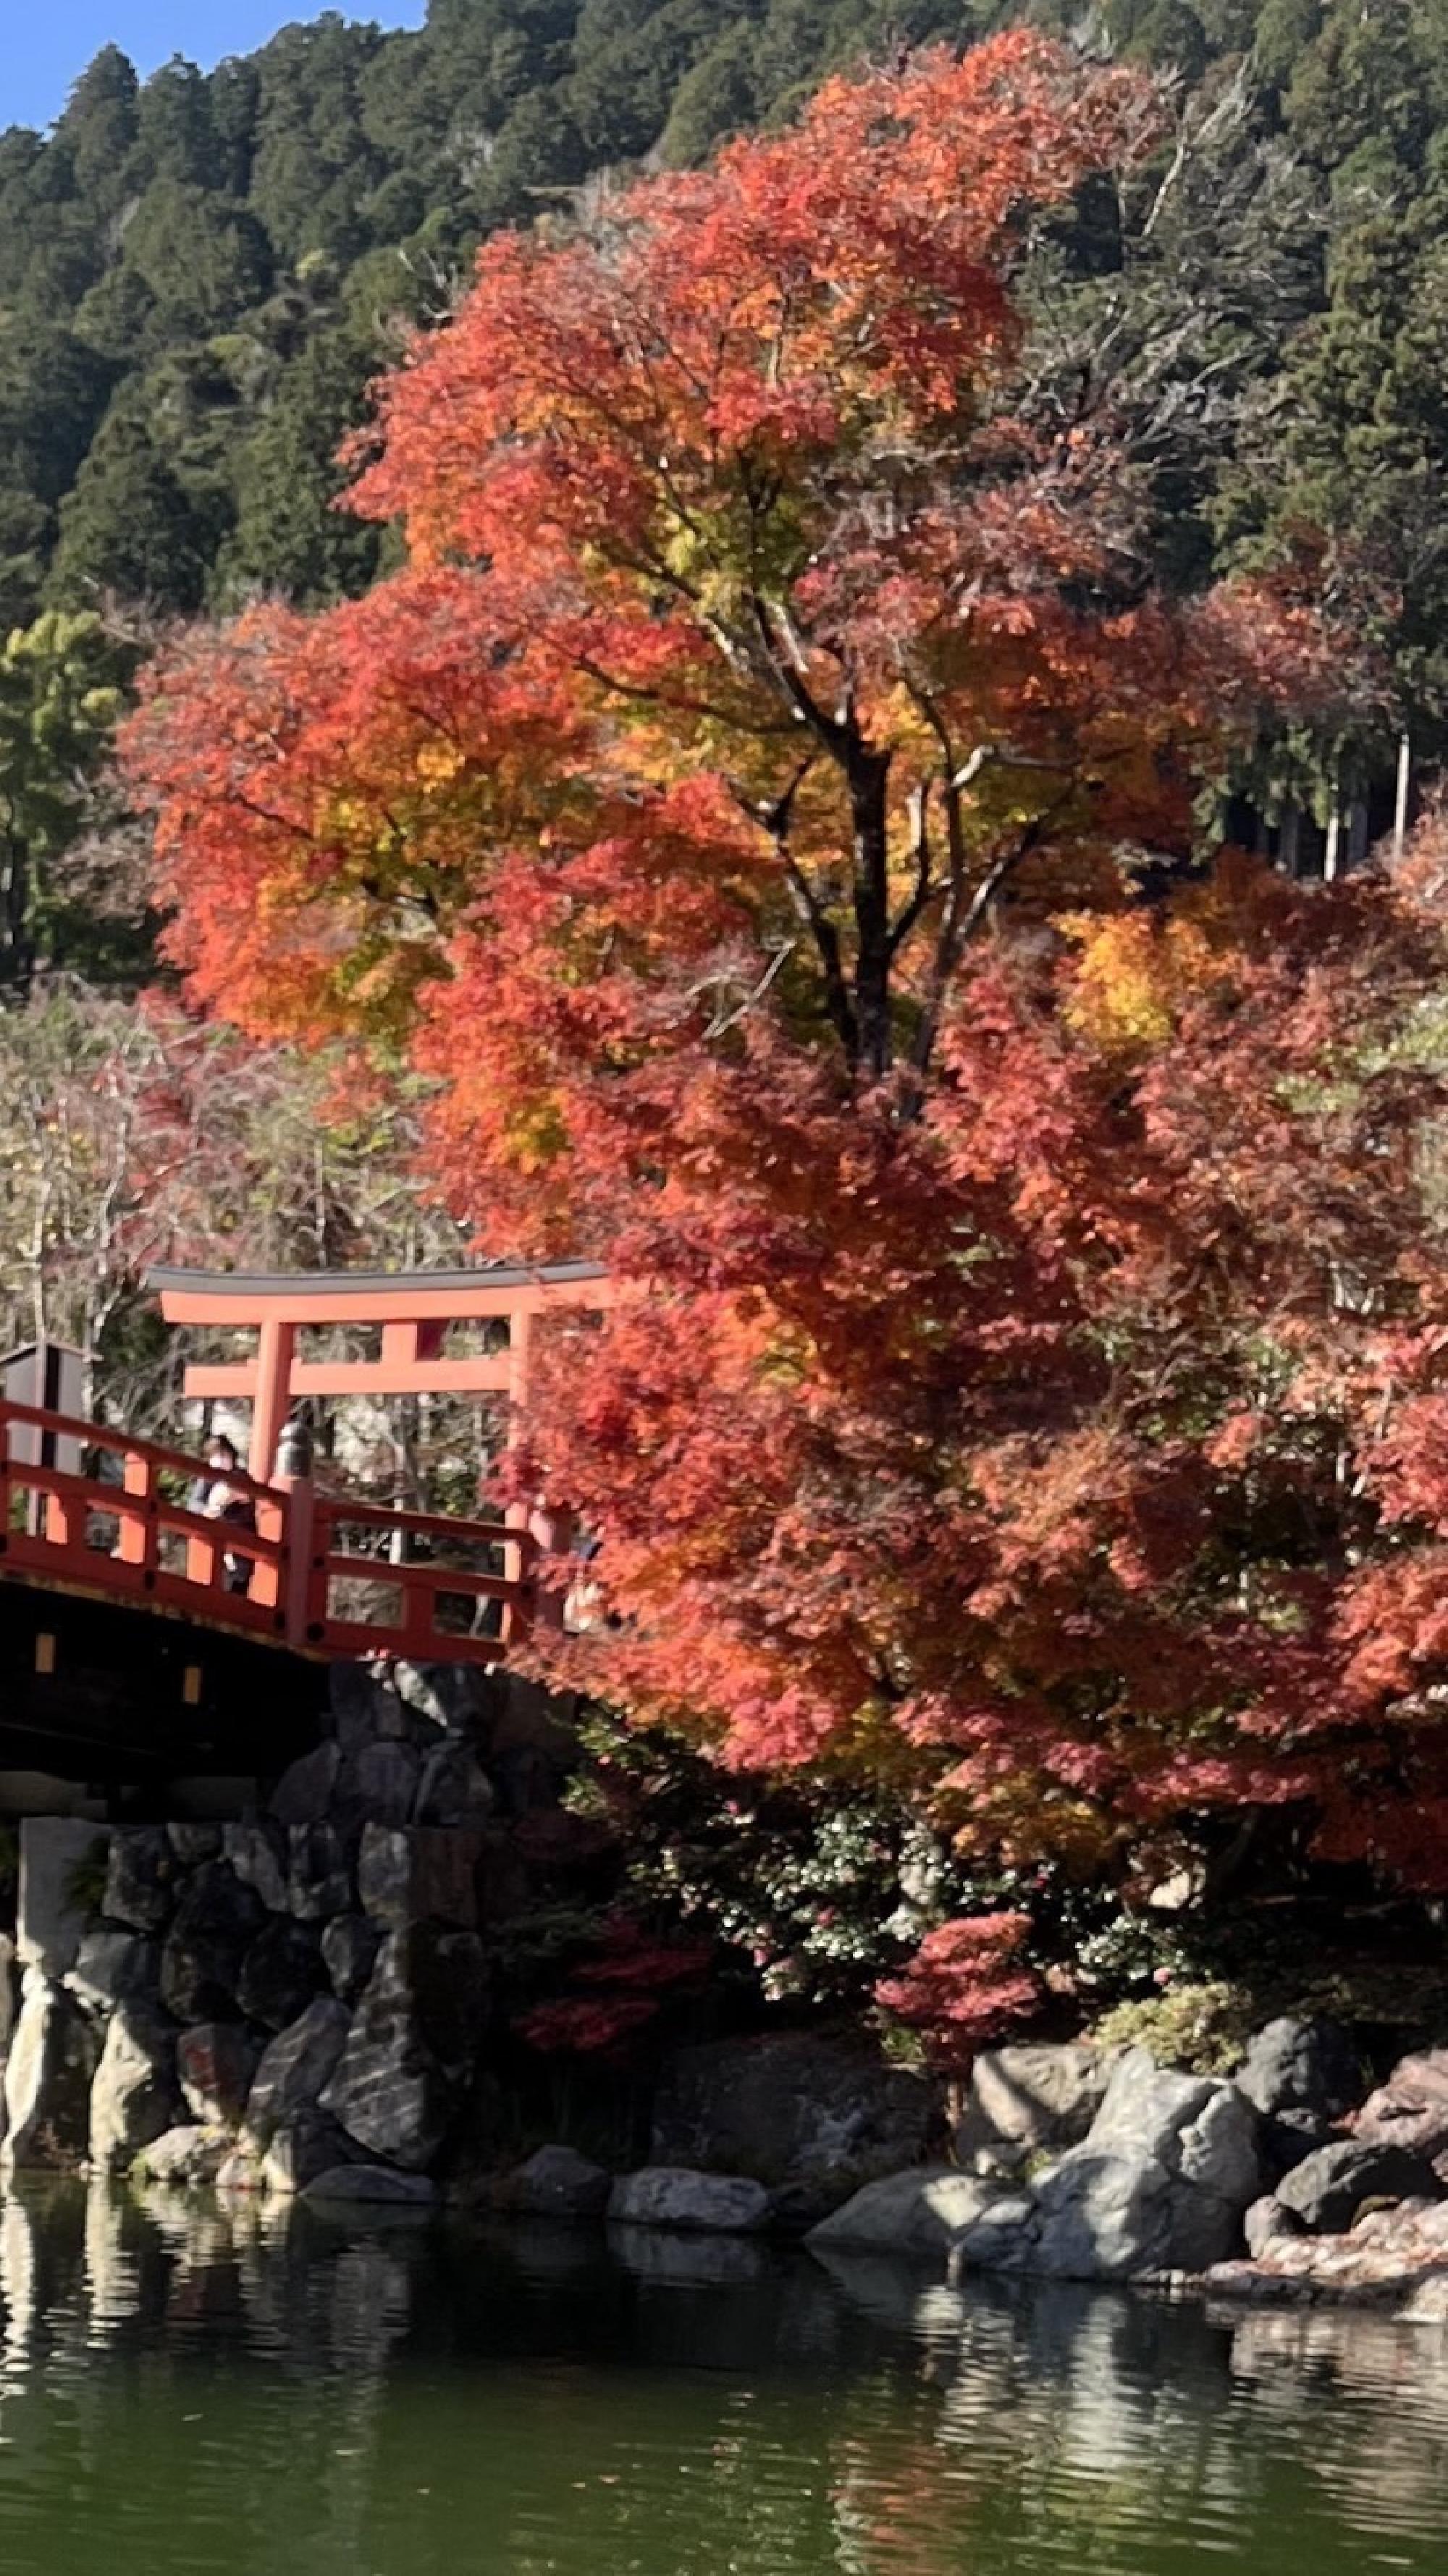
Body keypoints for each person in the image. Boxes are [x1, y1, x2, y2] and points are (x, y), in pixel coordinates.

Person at [190, 1435, 257, 1594]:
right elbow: (194, 1504)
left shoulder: (241, 1476)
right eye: (215, 1456)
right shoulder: (206, 1478)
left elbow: (249, 1503)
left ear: (232, 1456)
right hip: (213, 1537)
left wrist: (234, 1497)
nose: (220, 1460)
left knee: (237, 1586)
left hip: (238, 1537)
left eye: (224, 1455)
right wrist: (208, 1511)